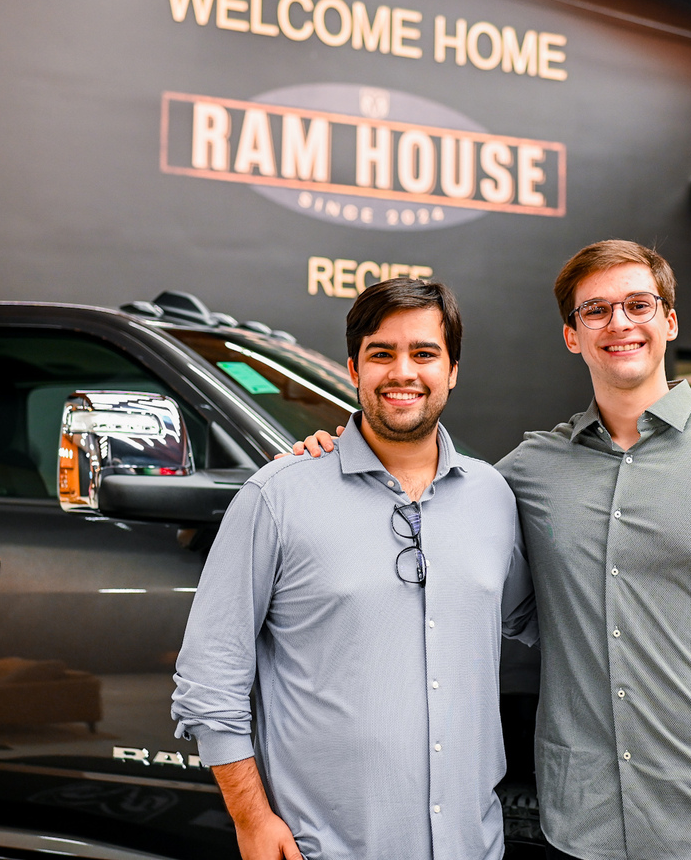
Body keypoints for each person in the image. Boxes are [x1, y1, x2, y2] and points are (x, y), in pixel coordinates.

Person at [289, 241, 691, 860]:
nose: (619, 324)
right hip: (583, 830)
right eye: (595, 311)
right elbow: (420, 489)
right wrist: (333, 455)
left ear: (669, 321)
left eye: (637, 305)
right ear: (572, 335)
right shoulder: (526, 474)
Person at [171, 277, 536, 860]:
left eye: (424, 353)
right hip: (325, 849)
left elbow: (538, 622)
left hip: (474, 844)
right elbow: (210, 680)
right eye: (381, 354)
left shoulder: (495, 497)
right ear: (353, 368)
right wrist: (251, 819)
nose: (403, 372)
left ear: (453, 370)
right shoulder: (277, 497)